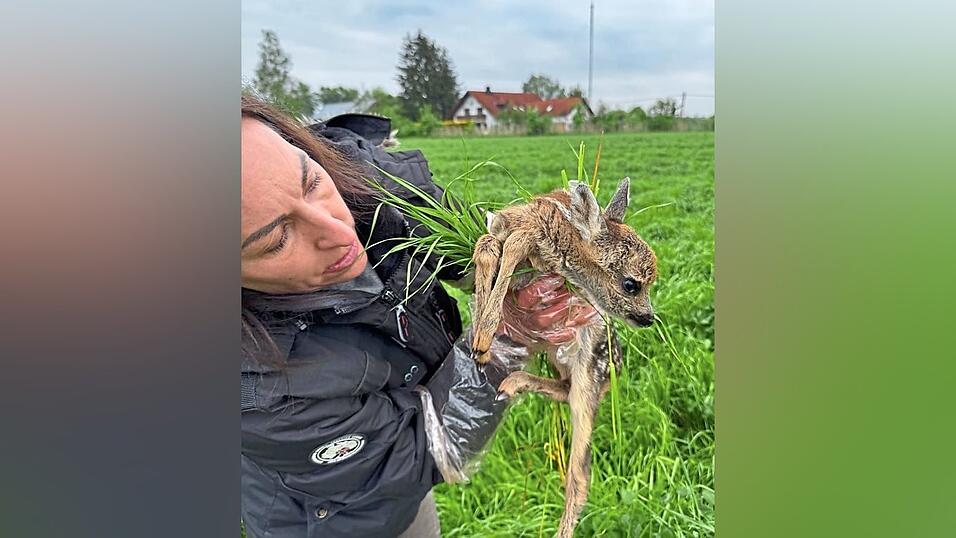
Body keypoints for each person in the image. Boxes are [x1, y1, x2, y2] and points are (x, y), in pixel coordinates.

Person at [240, 94, 596, 537]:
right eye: (276, 240)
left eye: (311, 182)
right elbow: (419, 450)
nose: (338, 229)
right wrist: (507, 337)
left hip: (403, 473)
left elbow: (447, 232)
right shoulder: (255, 391)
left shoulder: (355, 171)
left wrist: (519, 253)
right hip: (336, 517)